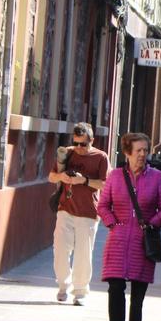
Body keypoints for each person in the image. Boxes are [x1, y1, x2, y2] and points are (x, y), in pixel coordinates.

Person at [98, 132, 161, 321]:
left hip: (143, 241)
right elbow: (103, 205)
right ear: (127, 152)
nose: (142, 154)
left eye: (145, 150)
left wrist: (152, 224)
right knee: (115, 286)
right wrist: (113, 224)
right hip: (118, 239)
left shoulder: (157, 177)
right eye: (138, 150)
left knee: (138, 294)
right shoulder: (115, 176)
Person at [48, 122, 109, 305]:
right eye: (76, 143)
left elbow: (106, 184)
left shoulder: (101, 157)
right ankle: (62, 285)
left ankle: (80, 291)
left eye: (83, 144)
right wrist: (62, 177)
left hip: (88, 212)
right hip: (65, 208)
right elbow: (51, 176)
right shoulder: (67, 153)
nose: (79, 148)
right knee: (60, 249)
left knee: (83, 254)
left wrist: (84, 180)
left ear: (92, 140)